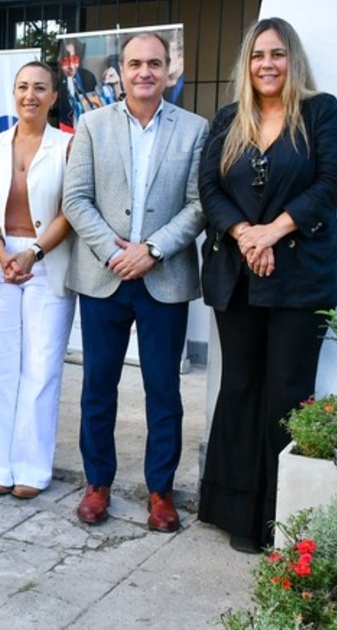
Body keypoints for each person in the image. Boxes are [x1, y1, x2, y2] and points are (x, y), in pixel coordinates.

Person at [197, 17, 337, 553]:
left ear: (294, 61)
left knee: (288, 393)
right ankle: (236, 512)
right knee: (239, 388)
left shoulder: (320, 113)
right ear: (247, 64)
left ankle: (280, 516)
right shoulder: (227, 120)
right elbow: (209, 189)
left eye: (278, 54)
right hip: (238, 277)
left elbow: (333, 181)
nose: (268, 64)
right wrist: (245, 235)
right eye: (259, 54)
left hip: (301, 280)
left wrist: (273, 231)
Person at [63, 32, 208, 531]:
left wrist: (153, 250)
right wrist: (113, 252)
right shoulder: (91, 125)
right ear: (119, 71)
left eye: (154, 63)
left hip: (163, 277)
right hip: (103, 277)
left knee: (163, 390)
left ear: (170, 70)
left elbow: (198, 203)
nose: (144, 72)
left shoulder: (195, 129)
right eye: (134, 64)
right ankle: (97, 483)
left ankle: (160, 491)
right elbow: (76, 198)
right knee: (98, 386)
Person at [0, 61, 75, 499]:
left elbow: (71, 210)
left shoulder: (69, 146)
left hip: (47, 264)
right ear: (12, 94)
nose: (29, 95)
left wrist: (32, 253)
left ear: (54, 96)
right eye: (21, 87)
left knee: (41, 367)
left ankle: (32, 468)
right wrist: (1, 253)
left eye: (39, 88)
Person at [56, 38, 98, 130]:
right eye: (66, 60)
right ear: (59, 61)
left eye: (75, 59)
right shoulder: (55, 83)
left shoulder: (88, 77)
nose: (71, 66)